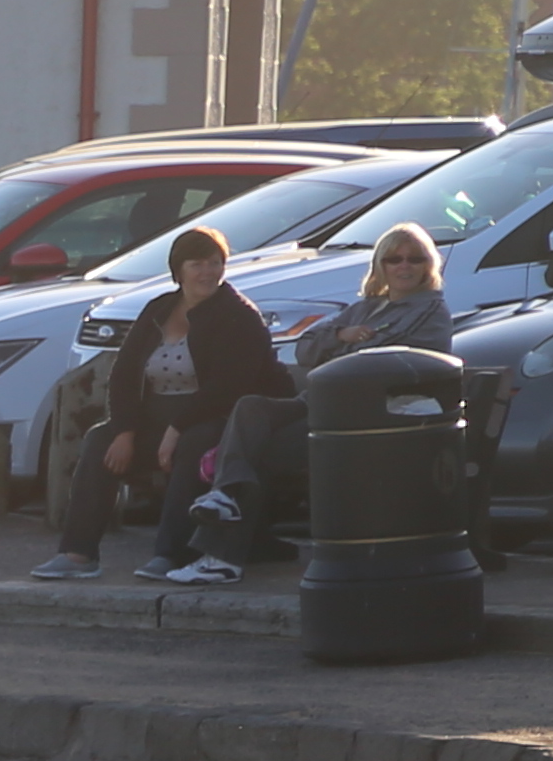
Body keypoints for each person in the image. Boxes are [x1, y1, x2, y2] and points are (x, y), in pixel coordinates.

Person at [175, 224, 457, 578]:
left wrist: (341, 348)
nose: (404, 266)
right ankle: (224, 504)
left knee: (251, 452)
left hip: (369, 421)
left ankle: (220, 558)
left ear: (427, 265)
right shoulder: (365, 308)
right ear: (380, 265)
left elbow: (377, 360)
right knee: (251, 409)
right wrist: (341, 335)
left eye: (414, 259)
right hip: (322, 405)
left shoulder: (431, 310)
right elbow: (305, 346)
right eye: (394, 259)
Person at [36, 222, 280, 581]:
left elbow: (226, 388)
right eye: (197, 263)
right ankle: (78, 554)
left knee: (194, 445)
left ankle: (171, 553)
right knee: (99, 439)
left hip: (221, 419)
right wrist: (125, 431)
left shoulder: (239, 315)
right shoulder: (159, 309)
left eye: (215, 263)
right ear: (178, 269)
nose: (208, 272)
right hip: (158, 416)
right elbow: (123, 374)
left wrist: (175, 430)